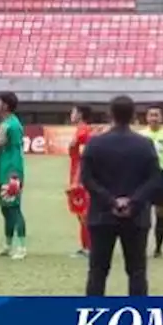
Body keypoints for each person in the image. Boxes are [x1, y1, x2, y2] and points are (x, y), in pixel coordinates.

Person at [79, 95, 163, 296]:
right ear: (134, 116)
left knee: (98, 271)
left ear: (110, 114)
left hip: (102, 216)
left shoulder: (96, 144)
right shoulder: (145, 145)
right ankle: (138, 319)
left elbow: (87, 179)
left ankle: (92, 317)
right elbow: (154, 179)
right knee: (137, 272)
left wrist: (110, 201)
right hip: (136, 217)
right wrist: (133, 202)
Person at [137, 105, 163, 257]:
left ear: (161, 118)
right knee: (143, 212)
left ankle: (158, 247)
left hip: (162, 174)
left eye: (156, 115)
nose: (154, 118)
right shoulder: (141, 136)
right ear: (147, 118)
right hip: (144, 176)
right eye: (151, 115)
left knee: (160, 212)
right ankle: (141, 246)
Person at [0, 92, 27, 259]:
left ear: (5, 105)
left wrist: (14, 174)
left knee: (14, 207)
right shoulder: (9, 123)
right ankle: (8, 245)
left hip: (11, 169)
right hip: (4, 167)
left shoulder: (9, 125)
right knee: (6, 207)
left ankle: (21, 246)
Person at [67, 105, 94, 257]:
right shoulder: (80, 130)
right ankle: (86, 246)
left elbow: (84, 158)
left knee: (84, 213)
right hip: (76, 174)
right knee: (80, 213)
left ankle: (89, 248)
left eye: (73, 112)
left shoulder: (83, 132)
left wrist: (78, 180)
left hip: (80, 176)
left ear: (80, 114)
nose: (71, 114)